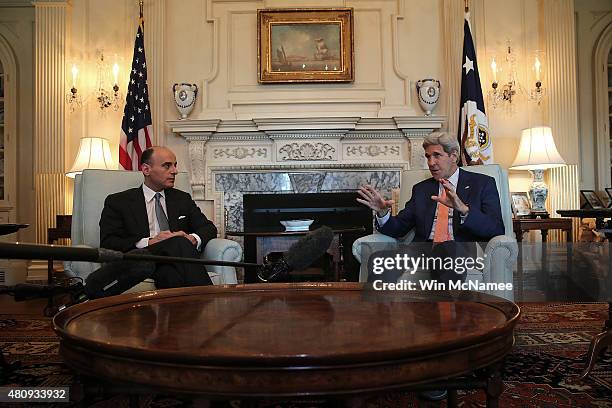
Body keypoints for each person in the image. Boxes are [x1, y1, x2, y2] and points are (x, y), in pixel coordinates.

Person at [357, 132, 505, 284]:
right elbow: (399, 227)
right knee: (379, 260)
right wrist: (382, 212)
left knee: (448, 251)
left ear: (453, 156)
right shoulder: (422, 189)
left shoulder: (482, 183)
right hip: (422, 250)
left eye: (437, 155)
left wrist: (463, 209)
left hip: (459, 249)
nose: (431, 162)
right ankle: (381, 307)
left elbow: (496, 228)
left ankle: (445, 307)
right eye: (428, 156)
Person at [91, 146, 217, 294]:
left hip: (171, 263)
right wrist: (150, 242)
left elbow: (209, 228)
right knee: (177, 241)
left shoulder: (182, 199)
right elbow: (108, 242)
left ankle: (182, 316)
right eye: (167, 165)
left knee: (170, 274)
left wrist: (191, 239)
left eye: (175, 165)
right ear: (146, 170)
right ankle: (210, 299)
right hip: (142, 260)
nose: (174, 171)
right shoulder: (119, 201)